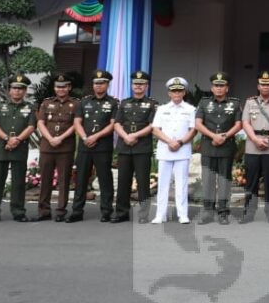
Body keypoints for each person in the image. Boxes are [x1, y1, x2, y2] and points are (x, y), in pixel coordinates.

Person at [67, 70, 118, 223]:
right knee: (81, 179)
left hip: (102, 146)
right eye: (96, 83)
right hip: (85, 146)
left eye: (102, 83)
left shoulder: (114, 103)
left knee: (105, 179)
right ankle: (77, 211)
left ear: (107, 84)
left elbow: (113, 124)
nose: (99, 86)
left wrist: (95, 136)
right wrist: (84, 137)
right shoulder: (84, 101)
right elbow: (77, 122)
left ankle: (106, 211)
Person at [0, 74, 37, 223]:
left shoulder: (30, 108)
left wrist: (18, 139)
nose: (17, 91)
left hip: (20, 148)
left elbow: (31, 126)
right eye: (14, 88)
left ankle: (18, 212)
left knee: (19, 182)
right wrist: (8, 139)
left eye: (21, 89)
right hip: (1, 148)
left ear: (25, 91)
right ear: (9, 90)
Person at [195, 72, 243, 225]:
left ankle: (223, 212)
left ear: (227, 88)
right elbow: (198, 123)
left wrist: (224, 136)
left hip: (226, 146)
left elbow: (238, 124)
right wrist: (213, 136)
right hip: (208, 146)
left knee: (224, 181)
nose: (219, 89)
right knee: (208, 180)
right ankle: (207, 212)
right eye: (216, 86)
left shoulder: (235, 103)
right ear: (212, 87)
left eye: (222, 86)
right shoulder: (204, 102)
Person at [241, 70, 269, 224]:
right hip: (252, 145)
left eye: (268, 84)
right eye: (262, 84)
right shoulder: (250, 102)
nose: (265, 87)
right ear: (258, 86)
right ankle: (249, 212)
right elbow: (245, 123)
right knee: (251, 181)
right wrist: (255, 139)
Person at [113, 70, 158, 224]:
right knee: (123, 181)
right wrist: (126, 136)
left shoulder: (152, 104)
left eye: (141, 84)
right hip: (125, 147)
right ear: (132, 85)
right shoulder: (124, 103)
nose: (138, 86)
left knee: (143, 182)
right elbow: (117, 123)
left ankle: (144, 214)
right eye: (135, 83)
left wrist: (135, 135)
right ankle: (121, 212)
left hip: (142, 147)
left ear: (146, 86)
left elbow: (153, 125)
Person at [151, 77, 196, 224]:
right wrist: (170, 141)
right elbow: (155, 129)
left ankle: (183, 214)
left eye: (179, 90)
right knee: (163, 183)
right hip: (165, 150)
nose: (176, 93)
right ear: (169, 93)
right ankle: (160, 214)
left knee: (181, 184)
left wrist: (180, 142)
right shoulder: (162, 109)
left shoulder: (190, 109)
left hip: (182, 151)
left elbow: (193, 130)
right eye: (173, 91)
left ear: (184, 92)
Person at [36, 74, 79, 222]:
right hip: (47, 146)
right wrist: (50, 138)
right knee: (45, 180)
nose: (61, 89)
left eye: (64, 86)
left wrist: (60, 138)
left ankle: (61, 211)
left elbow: (76, 125)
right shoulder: (46, 103)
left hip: (65, 147)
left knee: (64, 181)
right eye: (58, 87)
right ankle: (44, 211)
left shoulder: (76, 104)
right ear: (54, 88)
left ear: (69, 88)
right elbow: (41, 122)